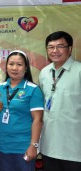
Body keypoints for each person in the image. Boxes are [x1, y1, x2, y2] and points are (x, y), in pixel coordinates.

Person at [0, 50, 44, 171]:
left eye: (19, 64)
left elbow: (38, 120)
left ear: (26, 68)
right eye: (11, 64)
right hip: (2, 147)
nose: (14, 68)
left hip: (23, 147)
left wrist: (34, 146)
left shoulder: (33, 89)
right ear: (6, 67)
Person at [39, 31, 81, 171]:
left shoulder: (79, 71)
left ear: (69, 49)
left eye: (60, 46)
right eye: (51, 47)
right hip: (49, 145)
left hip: (75, 148)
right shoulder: (44, 72)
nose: (55, 51)